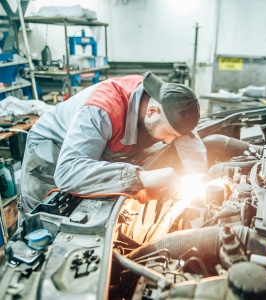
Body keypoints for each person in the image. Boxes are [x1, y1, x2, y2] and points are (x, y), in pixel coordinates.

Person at [19, 71, 207, 215]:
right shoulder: (103, 110)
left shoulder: (170, 106)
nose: (169, 140)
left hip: (91, 146)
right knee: (42, 217)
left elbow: (188, 139)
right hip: (50, 148)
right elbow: (68, 172)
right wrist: (140, 177)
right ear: (152, 112)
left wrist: (199, 180)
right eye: (168, 133)